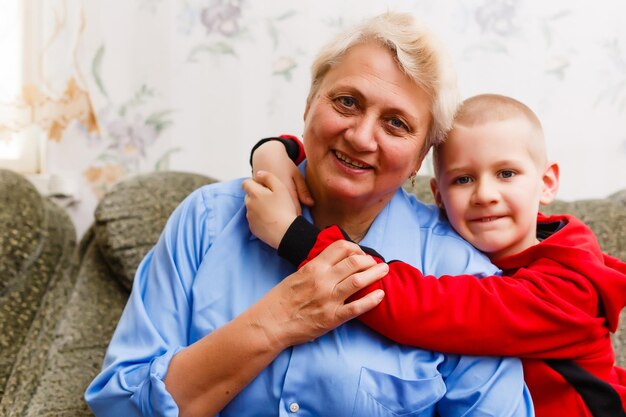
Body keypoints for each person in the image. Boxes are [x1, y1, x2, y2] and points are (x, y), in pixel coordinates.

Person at [85, 13, 534, 417]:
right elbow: (118, 407)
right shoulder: (205, 221)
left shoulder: (464, 278)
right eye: (347, 102)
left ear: (420, 159)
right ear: (308, 105)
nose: (360, 136)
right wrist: (276, 320)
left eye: (396, 123)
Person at [245, 93, 626, 417]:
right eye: (463, 178)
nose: (485, 194)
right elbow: (340, 161)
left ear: (546, 183)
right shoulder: (449, 247)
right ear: (439, 196)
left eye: (506, 173)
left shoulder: (569, 287)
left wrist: (294, 236)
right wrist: (277, 151)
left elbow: (425, 308)